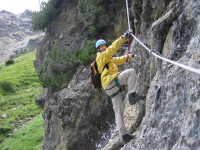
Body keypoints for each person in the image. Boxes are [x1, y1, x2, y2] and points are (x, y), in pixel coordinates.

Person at [95, 29, 145, 144]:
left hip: (109, 87)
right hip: (110, 82)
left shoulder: (108, 59)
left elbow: (119, 59)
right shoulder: (100, 57)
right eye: (101, 47)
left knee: (119, 111)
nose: (103, 48)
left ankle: (124, 135)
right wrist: (124, 37)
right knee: (131, 72)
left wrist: (130, 56)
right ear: (98, 49)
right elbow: (112, 49)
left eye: (104, 46)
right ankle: (132, 95)